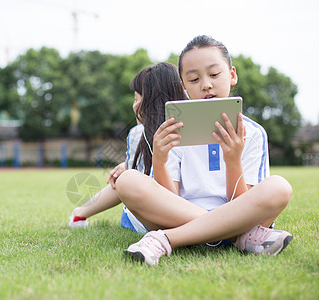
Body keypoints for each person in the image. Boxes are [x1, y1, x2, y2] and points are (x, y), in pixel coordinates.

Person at [115, 35, 293, 266]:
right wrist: (159, 161)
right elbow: (170, 200)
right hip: (183, 217)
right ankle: (239, 237)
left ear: (232, 75)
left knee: (279, 187)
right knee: (128, 181)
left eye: (214, 74)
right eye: (194, 79)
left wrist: (233, 160)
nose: (206, 84)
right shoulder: (174, 130)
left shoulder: (253, 132)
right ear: (184, 87)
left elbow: (241, 201)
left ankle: (165, 240)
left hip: (195, 223)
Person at [68, 62, 187, 230]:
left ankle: (79, 213)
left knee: (126, 178)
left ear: (148, 104)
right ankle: (79, 213)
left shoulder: (140, 133)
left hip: (153, 216)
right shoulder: (148, 133)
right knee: (126, 179)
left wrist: (128, 166)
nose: (134, 105)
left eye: (137, 99)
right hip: (166, 214)